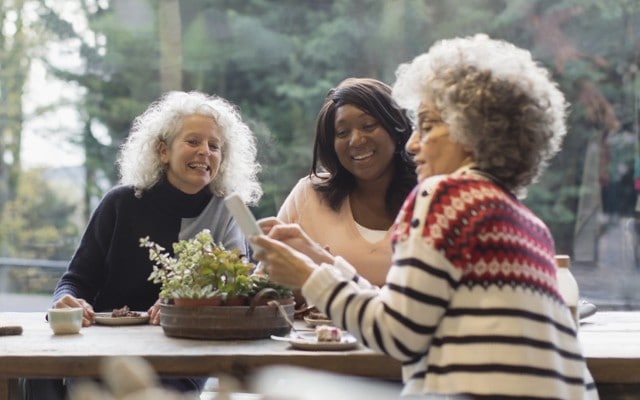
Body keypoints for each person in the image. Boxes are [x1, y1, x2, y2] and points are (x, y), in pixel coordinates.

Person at [252, 34, 599, 398]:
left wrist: (307, 276)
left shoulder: (445, 196)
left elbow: (396, 333)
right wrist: (320, 260)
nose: (413, 143)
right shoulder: (527, 223)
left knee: (275, 385)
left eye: (428, 126)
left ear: (473, 132)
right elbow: (407, 308)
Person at [24, 90, 262, 398]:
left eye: (214, 146)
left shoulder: (228, 209)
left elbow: (237, 288)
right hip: (105, 346)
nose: (205, 151)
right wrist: (67, 299)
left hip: (181, 355)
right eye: (193, 141)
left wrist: (183, 309)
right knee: (37, 375)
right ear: (163, 151)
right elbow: (75, 280)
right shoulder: (120, 202)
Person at [260, 77, 415, 288]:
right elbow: (264, 284)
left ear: (396, 128)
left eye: (368, 126)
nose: (356, 140)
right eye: (342, 133)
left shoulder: (430, 198)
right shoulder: (310, 195)